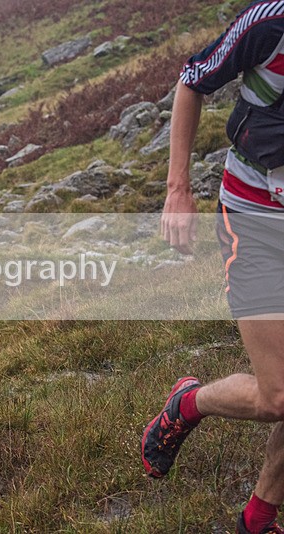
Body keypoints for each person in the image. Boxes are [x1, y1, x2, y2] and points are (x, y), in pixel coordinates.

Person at [142, 4, 284, 532]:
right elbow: (191, 80)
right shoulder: (269, 25)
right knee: (277, 396)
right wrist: (178, 188)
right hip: (255, 218)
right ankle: (188, 403)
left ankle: (257, 518)